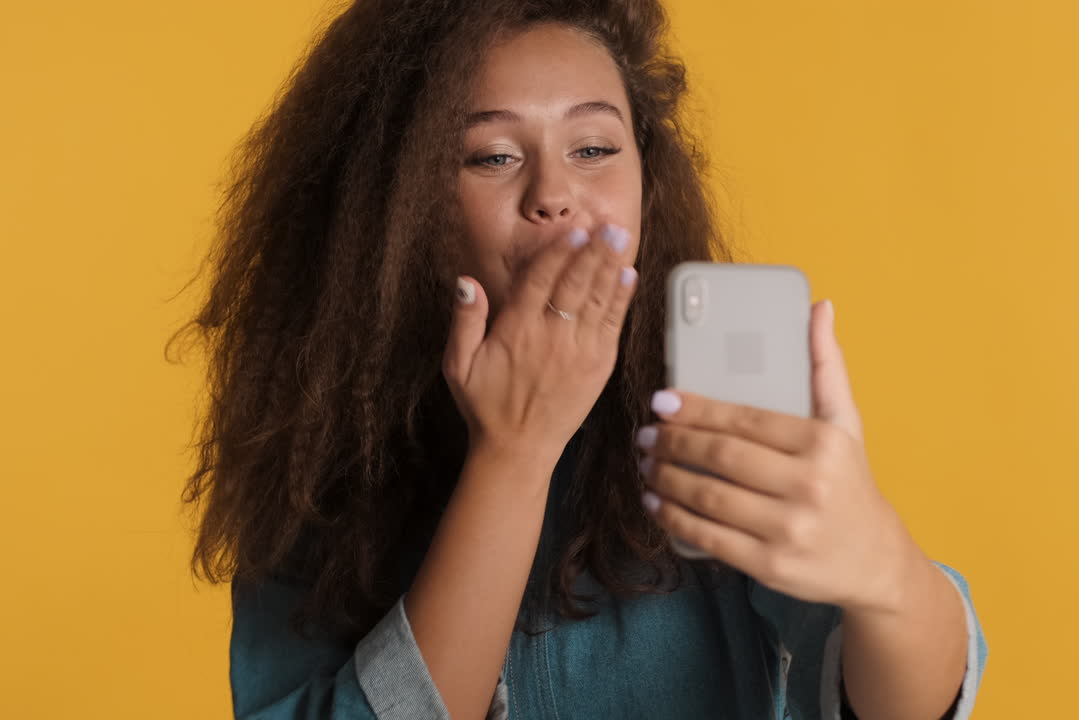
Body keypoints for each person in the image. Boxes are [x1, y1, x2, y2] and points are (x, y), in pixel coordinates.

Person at [176, 1, 989, 718]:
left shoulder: (704, 405)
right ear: (398, 211)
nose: (554, 194)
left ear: (648, 179)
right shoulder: (320, 460)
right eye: (493, 156)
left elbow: (901, 704)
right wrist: (513, 457)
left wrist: (884, 572)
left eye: (595, 148)